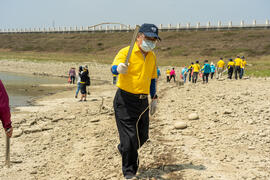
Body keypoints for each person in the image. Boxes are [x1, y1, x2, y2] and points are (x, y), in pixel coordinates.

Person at [111, 23, 160, 179]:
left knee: (143, 136)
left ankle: (124, 148)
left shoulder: (152, 56)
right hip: (124, 100)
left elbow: (152, 79)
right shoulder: (126, 51)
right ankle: (129, 172)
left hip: (142, 102)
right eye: (148, 38)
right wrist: (119, 68)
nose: (151, 41)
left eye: (154, 39)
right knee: (131, 138)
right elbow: (113, 67)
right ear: (139, 37)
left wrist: (154, 97)